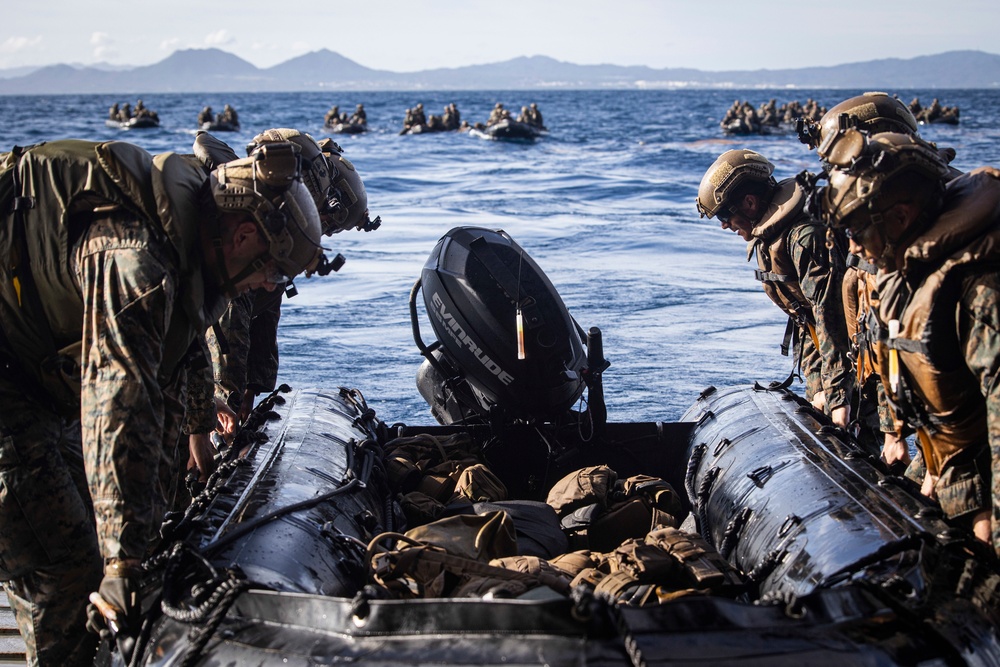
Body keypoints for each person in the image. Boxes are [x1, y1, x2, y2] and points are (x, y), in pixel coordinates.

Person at [0, 136, 324, 666]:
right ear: (245, 235)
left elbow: (176, 368)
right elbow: (118, 404)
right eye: (275, 272)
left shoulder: (195, 248)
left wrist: (191, 440)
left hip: (29, 372)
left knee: (73, 522)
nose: (269, 287)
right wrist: (122, 565)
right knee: (64, 559)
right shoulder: (137, 266)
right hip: (14, 382)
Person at [816, 130, 1000, 554]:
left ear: (900, 217)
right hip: (953, 477)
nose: (852, 246)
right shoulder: (909, 274)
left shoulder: (980, 288)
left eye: (857, 229)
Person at [696, 149, 854, 428]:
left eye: (724, 214)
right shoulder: (768, 237)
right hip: (832, 362)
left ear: (749, 202)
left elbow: (832, 319)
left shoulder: (805, 238)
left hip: (856, 362)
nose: (723, 225)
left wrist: (839, 399)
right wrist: (818, 387)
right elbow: (806, 321)